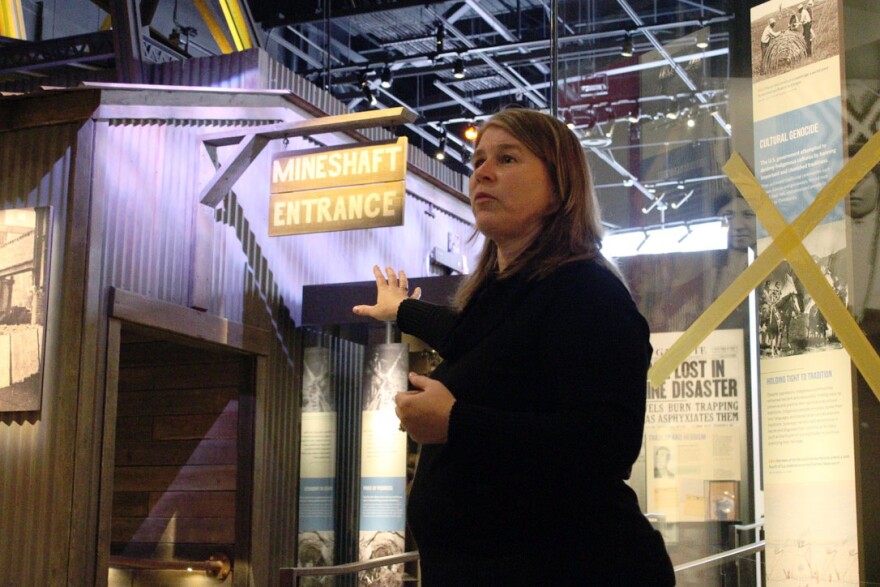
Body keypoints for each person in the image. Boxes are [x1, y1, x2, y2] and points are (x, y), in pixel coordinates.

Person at [353, 108, 675, 586]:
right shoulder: (502, 297)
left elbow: (608, 444)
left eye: (506, 159)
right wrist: (400, 309)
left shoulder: (586, 291)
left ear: (559, 184)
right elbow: (469, 337)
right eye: (478, 159)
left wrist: (456, 422)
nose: (481, 172)